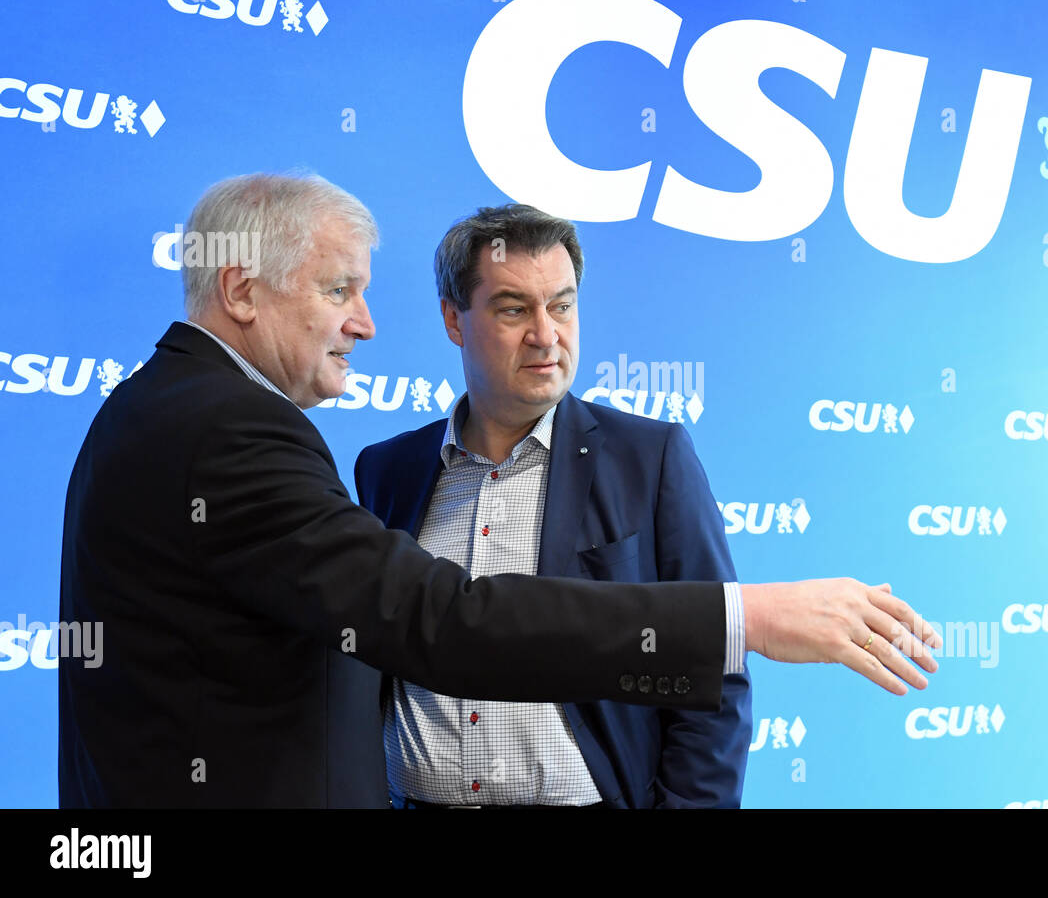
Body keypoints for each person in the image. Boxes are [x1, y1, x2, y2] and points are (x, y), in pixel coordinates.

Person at [57, 173, 942, 808]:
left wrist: (726, 636)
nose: (363, 322)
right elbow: (441, 622)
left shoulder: (653, 458)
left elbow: (708, 708)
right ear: (241, 291)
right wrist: (744, 616)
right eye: (338, 291)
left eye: (563, 305)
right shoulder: (272, 440)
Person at [354, 205, 750, 808]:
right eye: (514, 309)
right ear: (453, 320)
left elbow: (713, 673)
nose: (546, 334)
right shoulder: (389, 471)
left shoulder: (651, 459)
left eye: (561, 305)